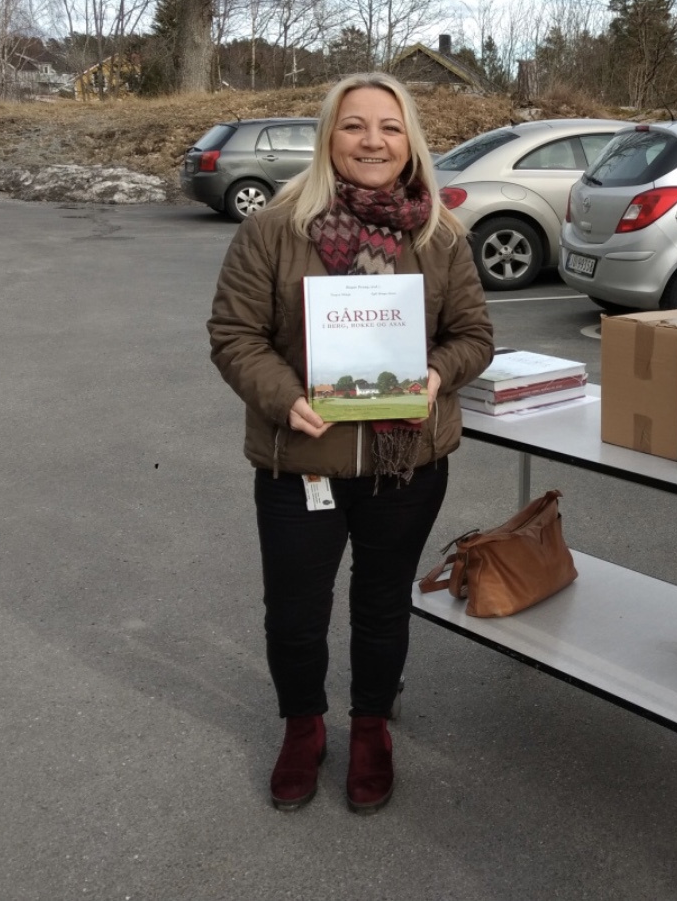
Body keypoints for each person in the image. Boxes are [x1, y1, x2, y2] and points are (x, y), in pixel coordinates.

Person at [208, 72, 494, 815]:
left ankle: (370, 727)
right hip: (301, 459)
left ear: (410, 143)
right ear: (328, 136)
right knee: (296, 611)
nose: (373, 141)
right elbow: (234, 335)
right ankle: (304, 725)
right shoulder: (274, 229)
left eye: (390, 128)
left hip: (408, 464)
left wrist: (436, 374)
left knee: (381, 605)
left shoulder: (439, 235)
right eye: (355, 125)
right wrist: (285, 397)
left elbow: (475, 336)